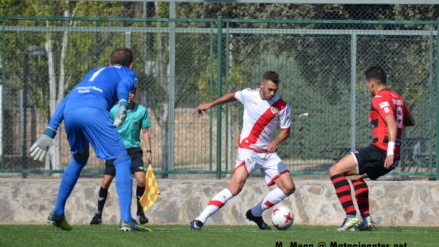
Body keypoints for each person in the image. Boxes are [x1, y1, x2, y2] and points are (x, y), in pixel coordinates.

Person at [29, 48, 150, 232]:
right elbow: (124, 87)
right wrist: (123, 105)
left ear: (109, 63)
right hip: (93, 111)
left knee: (79, 158)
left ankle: (57, 212)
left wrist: (50, 131)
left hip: (70, 112)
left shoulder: (93, 73)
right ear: (131, 65)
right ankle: (126, 220)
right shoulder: (128, 72)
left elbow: (67, 99)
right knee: (122, 159)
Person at [189, 71, 295, 231]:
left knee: (288, 187)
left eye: (275, 90)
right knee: (236, 187)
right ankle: (200, 219)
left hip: (268, 152)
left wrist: (276, 140)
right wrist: (209, 104)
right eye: (269, 89)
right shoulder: (248, 95)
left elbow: (286, 131)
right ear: (262, 85)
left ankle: (255, 213)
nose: (272, 93)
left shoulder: (282, 106)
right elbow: (232, 96)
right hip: (249, 150)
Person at [328, 65, 415, 231]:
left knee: (335, 170)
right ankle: (366, 219)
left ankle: (351, 216)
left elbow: (391, 124)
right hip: (394, 154)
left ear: (371, 83)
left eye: (367, 84)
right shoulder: (397, 98)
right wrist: (378, 119)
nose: (368, 88)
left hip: (381, 151)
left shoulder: (380, 98)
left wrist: (388, 151)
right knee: (356, 177)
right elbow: (410, 121)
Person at [90, 89, 152, 225]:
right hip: (115, 150)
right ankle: (98, 215)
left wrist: (149, 151)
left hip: (134, 151)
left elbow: (146, 131)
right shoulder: (113, 110)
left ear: (136, 93)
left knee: (141, 181)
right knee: (106, 182)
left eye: (132, 92)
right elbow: (104, 130)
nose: (129, 95)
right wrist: (101, 149)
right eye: (126, 93)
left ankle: (140, 212)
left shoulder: (141, 110)